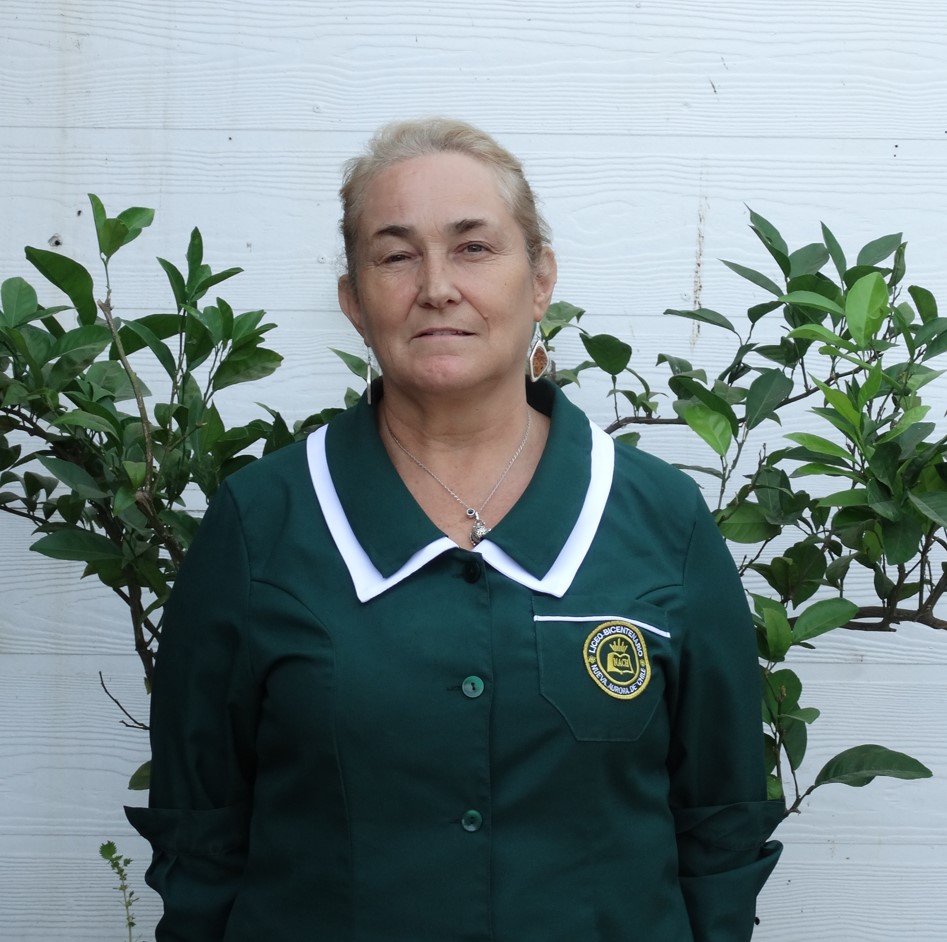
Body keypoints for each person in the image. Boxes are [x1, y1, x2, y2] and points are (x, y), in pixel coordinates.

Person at [127, 118, 783, 941]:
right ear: (353, 301)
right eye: (396, 256)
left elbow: (720, 827)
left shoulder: (659, 519)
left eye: (473, 248)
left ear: (539, 280)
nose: (436, 286)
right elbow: (200, 835)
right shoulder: (262, 523)